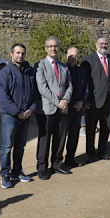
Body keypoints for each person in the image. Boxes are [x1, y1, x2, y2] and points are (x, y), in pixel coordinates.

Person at [0, 44, 37, 189]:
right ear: (11, 54)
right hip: (10, 116)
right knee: (7, 146)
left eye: (22, 53)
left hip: (25, 116)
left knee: (20, 146)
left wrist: (31, 110)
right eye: (17, 53)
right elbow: (2, 97)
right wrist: (17, 112)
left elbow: (35, 95)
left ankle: (17, 171)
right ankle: (5, 175)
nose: (20, 56)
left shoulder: (30, 72)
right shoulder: (4, 73)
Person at [35, 36, 73, 180]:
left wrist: (66, 99)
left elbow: (70, 86)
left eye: (56, 46)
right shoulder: (40, 65)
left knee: (60, 138)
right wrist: (58, 102)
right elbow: (42, 88)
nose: (53, 49)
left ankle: (57, 164)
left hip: (63, 109)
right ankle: (42, 168)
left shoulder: (63, 66)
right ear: (46, 49)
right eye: (50, 46)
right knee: (45, 139)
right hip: (46, 109)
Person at [81, 36, 110, 162]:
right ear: (96, 44)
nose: (104, 46)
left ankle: (102, 152)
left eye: (106, 44)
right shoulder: (88, 60)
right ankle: (90, 154)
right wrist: (85, 100)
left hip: (109, 100)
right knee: (90, 128)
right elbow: (84, 81)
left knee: (106, 128)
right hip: (93, 101)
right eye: (101, 43)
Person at [64, 47, 88, 168]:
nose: (73, 58)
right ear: (66, 56)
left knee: (74, 136)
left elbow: (86, 88)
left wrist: (82, 102)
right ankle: (56, 162)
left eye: (76, 56)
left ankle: (70, 158)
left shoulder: (81, 71)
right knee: (62, 137)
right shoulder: (62, 69)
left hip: (78, 108)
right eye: (71, 55)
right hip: (65, 109)